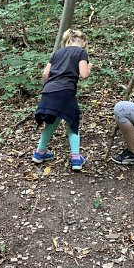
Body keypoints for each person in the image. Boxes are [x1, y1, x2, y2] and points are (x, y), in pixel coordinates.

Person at [33, 28, 91, 171]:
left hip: (48, 91)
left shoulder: (57, 53)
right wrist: (89, 67)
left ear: (66, 41)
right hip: (65, 91)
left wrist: (50, 85)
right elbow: (84, 74)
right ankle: (76, 159)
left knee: (53, 121)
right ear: (83, 42)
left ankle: (39, 153)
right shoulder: (81, 52)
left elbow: (45, 73)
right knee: (72, 122)